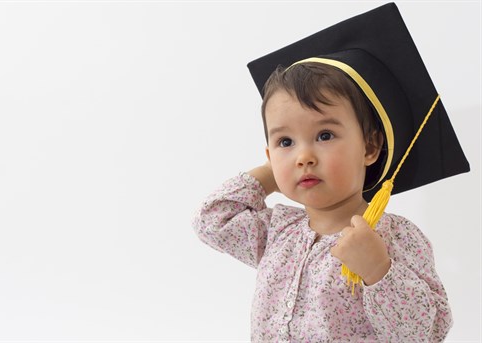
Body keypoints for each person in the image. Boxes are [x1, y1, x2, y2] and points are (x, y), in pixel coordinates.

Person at [193, 3, 468, 342]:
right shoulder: (277, 233)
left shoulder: (393, 238)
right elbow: (212, 220)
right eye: (285, 141)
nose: (304, 156)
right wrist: (272, 171)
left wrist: (378, 271)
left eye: (324, 136)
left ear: (369, 148)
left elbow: (427, 333)